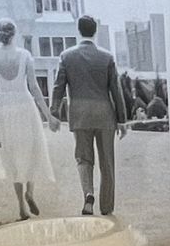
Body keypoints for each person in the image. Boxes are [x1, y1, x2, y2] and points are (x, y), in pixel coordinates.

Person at [51, 15, 129, 215]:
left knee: (84, 159)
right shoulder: (106, 57)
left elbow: (58, 87)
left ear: (79, 30)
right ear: (94, 31)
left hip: (80, 116)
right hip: (105, 116)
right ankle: (107, 206)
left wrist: (54, 113)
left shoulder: (67, 56)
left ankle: (88, 194)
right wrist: (122, 119)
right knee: (107, 163)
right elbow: (116, 90)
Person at [0, 19, 56, 220]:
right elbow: (34, 87)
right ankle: (30, 192)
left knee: (12, 153)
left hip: (4, 106)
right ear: (14, 34)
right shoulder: (24, 56)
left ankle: (21, 208)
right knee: (31, 148)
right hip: (24, 103)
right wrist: (47, 114)